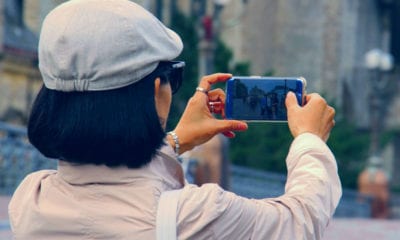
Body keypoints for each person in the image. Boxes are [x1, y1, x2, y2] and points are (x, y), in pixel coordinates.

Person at [8, 0, 341, 239]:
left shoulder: (30, 200)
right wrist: (309, 140)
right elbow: (301, 220)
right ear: (157, 89)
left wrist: (176, 141)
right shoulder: (195, 215)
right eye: (173, 76)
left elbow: (110, 188)